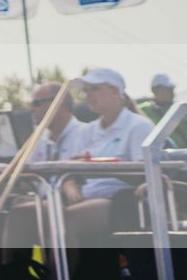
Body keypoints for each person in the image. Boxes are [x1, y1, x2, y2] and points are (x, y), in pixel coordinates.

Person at [62, 68, 157, 246]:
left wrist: (97, 165)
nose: (88, 95)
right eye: (85, 90)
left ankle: (72, 274)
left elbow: (144, 174)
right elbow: (70, 170)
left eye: (95, 89)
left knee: (64, 222)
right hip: (86, 199)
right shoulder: (86, 130)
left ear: (115, 91)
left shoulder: (139, 126)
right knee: (30, 214)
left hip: (121, 201)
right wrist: (71, 188)